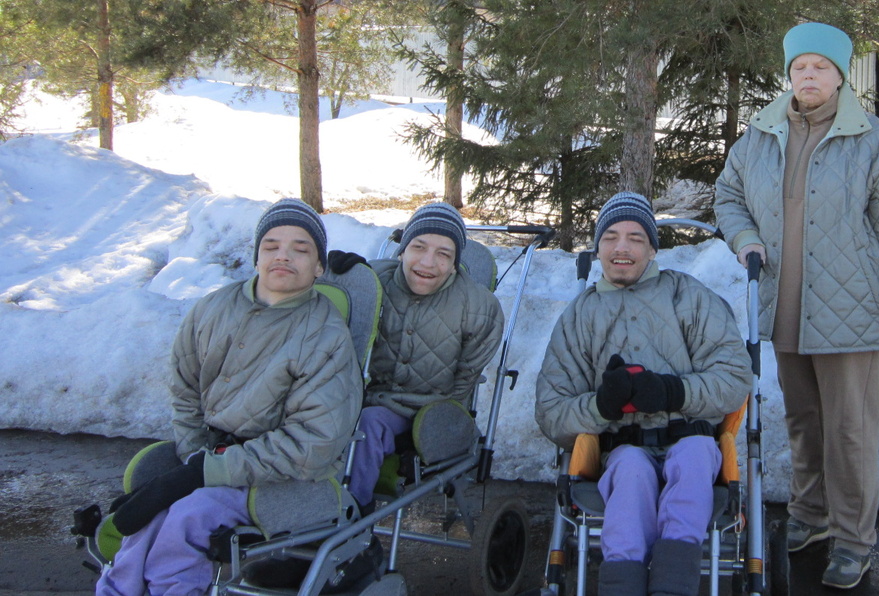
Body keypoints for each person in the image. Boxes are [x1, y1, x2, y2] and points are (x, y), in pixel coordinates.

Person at [714, 21, 879, 589]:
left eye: (820, 67)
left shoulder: (874, 142)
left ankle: (852, 540)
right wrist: (744, 238)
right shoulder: (761, 135)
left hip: (852, 310)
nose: (809, 76)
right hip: (784, 305)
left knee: (849, 431)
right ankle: (810, 515)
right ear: (789, 74)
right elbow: (728, 194)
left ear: (840, 76)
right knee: (803, 421)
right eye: (799, 67)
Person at [97, 198, 363, 596]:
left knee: (186, 518)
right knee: (146, 517)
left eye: (301, 249)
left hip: (285, 478)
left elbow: (312, 444)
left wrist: (208, 472)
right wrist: (194, 456)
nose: (283, 256)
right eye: (271, 246)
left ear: (319, 267)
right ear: (256, 257)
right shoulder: (212, 309)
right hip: (210, 457)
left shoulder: (326, 335)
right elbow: (185, 390)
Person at [535, 192, 753, 596]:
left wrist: (673, 391)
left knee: (693, 459)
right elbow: (551, 409)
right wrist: (600, 406)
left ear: (653, 249)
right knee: (631, 472)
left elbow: (735, 378)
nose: (622, 247)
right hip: (622, 448)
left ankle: (672, 586)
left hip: (691, 437)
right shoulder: (580, 316)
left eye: (635, 238)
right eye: (611, 237)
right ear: (598, 248)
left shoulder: (688, 297)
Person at [338, 201, 503, 509]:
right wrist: (338, 278)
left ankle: (350, 515)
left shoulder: (478, 307)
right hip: (360, 398)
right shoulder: (373, 281)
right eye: (419, 247)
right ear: (402, 250)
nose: (428, 262)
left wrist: (439, 421)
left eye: (444, 254)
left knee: (368, 424)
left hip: (425, 411)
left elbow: (464, 381)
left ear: (455, 264)